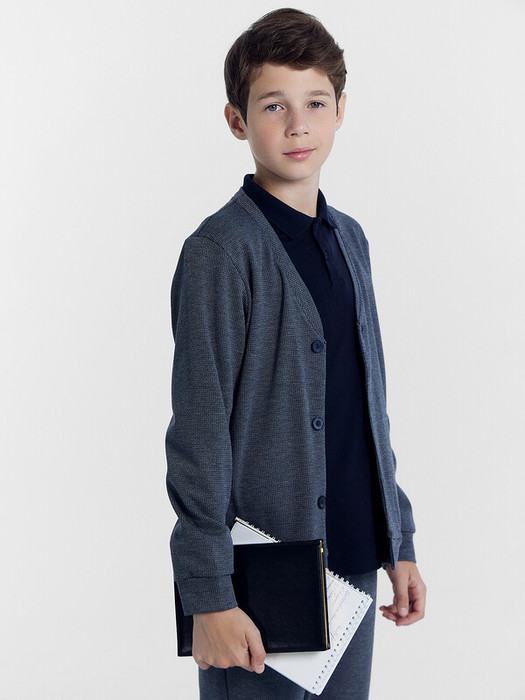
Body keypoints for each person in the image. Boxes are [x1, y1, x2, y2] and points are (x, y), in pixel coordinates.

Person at [166, 8, 426, 699]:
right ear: (237, 120)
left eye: (314, 103)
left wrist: (397, 540)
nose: (297, 125)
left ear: (340, 111)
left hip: (353, 562)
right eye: (273, 105)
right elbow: (198, 432)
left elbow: (366, 405)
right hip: (261, 576)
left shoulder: (349, 239)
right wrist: (207, 594)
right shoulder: (221, 253)